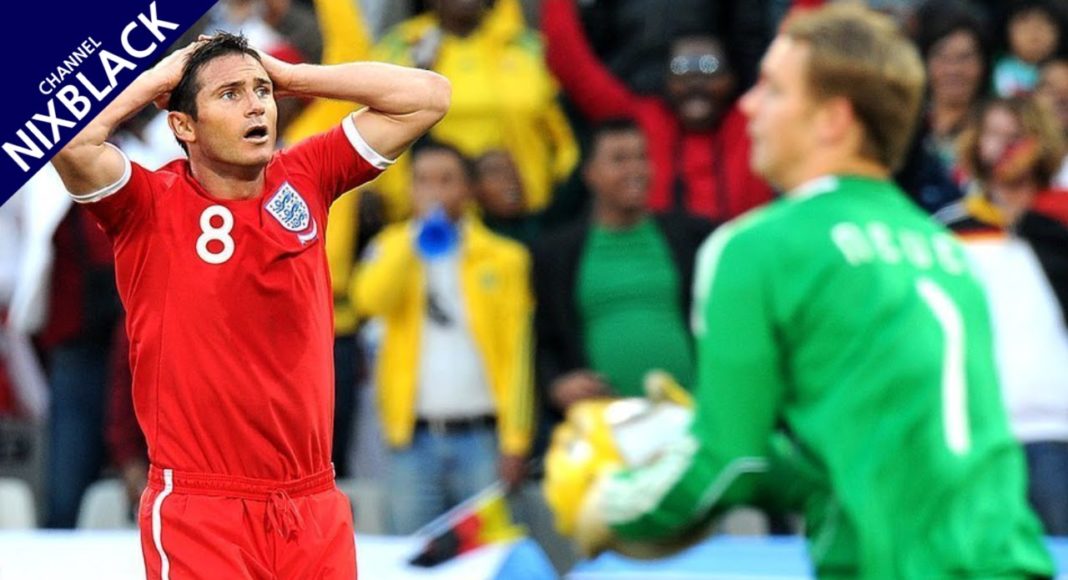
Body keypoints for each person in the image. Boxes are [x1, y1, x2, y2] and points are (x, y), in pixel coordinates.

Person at [560, 5, 1054, 577]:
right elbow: (852, 465)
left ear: (832, 119)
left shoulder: (756, 246)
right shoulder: (943, 249)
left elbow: (729, 464)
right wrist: (703, 432)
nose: (748, 104)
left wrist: (612, 503)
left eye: (772, 89)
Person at [51, 32, 449, 579]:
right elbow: (71, 144)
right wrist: (161, 77)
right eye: (230, 94)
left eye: (261, 91)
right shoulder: (146, 205)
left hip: (312, 504)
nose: (256, 105)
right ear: (183, 125)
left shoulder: (307, 175)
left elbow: (429, 96)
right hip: (202, 508)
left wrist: (291, 76)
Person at [353, 139, 534, 534]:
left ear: (468, 189)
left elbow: (518, 357)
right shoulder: (391, 246)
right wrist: (413, 238)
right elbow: (369, 300)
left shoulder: (505, 258)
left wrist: (516, 440)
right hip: (412, 440)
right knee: (412, 554)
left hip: (483, 437)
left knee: (489, 552)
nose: (433, 191)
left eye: (446, 180)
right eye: (423, 181)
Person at [532, 118, 711, 431]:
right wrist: (556, 384)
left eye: (642, 157)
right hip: (602, 429)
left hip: (689, 419)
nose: (635, 170)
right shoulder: (556, 253)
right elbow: (540, 337)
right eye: (619, 160)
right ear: (589, 174)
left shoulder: (691, 237)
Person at [943, 95, 1068, 535]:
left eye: (1017, 136)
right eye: (993, 135)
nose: (1004, 148)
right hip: (978, 430)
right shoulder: (951, 231)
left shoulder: (1061, 223)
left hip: (1055, 427)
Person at [542, 0, 774, 222]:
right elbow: (569, 60)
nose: (696, 84)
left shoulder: (756, 119)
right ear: (666, 82)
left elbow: (791, 59)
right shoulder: (640, 121)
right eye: (682, 72)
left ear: (731, 80)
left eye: (710, 71)